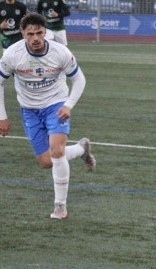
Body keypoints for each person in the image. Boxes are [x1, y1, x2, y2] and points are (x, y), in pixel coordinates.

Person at [0, 13, 95, 220]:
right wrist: (2, 116)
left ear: (45, 32)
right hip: (29, 109)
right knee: (46, 161)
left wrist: (68, 105)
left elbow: (79, 80)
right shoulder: (11, 55)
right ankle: (81, 149)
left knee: (57, 150)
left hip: (56, 105)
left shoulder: (60, 52)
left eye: (39, 33)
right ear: (23, 33)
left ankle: (60, 206)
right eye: (30, 33)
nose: (35, 38)